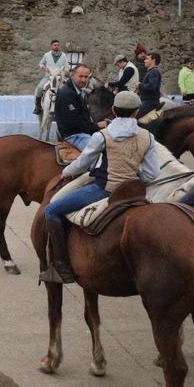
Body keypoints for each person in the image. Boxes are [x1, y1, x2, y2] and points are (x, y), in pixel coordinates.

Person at [41, 90, 163, 283]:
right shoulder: (148, 137)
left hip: (103, 190)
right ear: (136, 112)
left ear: (114, 110)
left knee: (51, 210)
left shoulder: (102, 136)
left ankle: (61, 266)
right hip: (133, 192)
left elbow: (83, 162)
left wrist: (65, 172)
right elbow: (152, 173)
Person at [53, 63, 100, 149]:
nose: (83, 80)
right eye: (80, 76)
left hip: (79, 132)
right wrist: (96, 126)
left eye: (86, 77)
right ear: (72, 75)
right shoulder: (66, 94)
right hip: (73, 135)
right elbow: (74, 122)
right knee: (97, 149)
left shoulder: (77, 91)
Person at [35, 39, 72, 113]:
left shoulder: (63, 56)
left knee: (70, 90)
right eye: (55, 45)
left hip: (60, 78)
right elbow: (41, 63)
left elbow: (67, 67)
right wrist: (45, 68)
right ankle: (38, 107)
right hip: (49, 77)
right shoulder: (47, 55)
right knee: (39, 88)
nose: (56, 46)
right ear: (51, 46)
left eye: (58, 45)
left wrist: (64, 72)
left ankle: (70, 107)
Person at [137, 51, 165, 117]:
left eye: (147, 59)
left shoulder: (154, 72)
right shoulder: (152, 71)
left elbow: (151, 86)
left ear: (153, 60)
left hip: (150, 102)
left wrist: (139, 85)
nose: (144, 61)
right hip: (147, 101)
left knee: (134, 116)